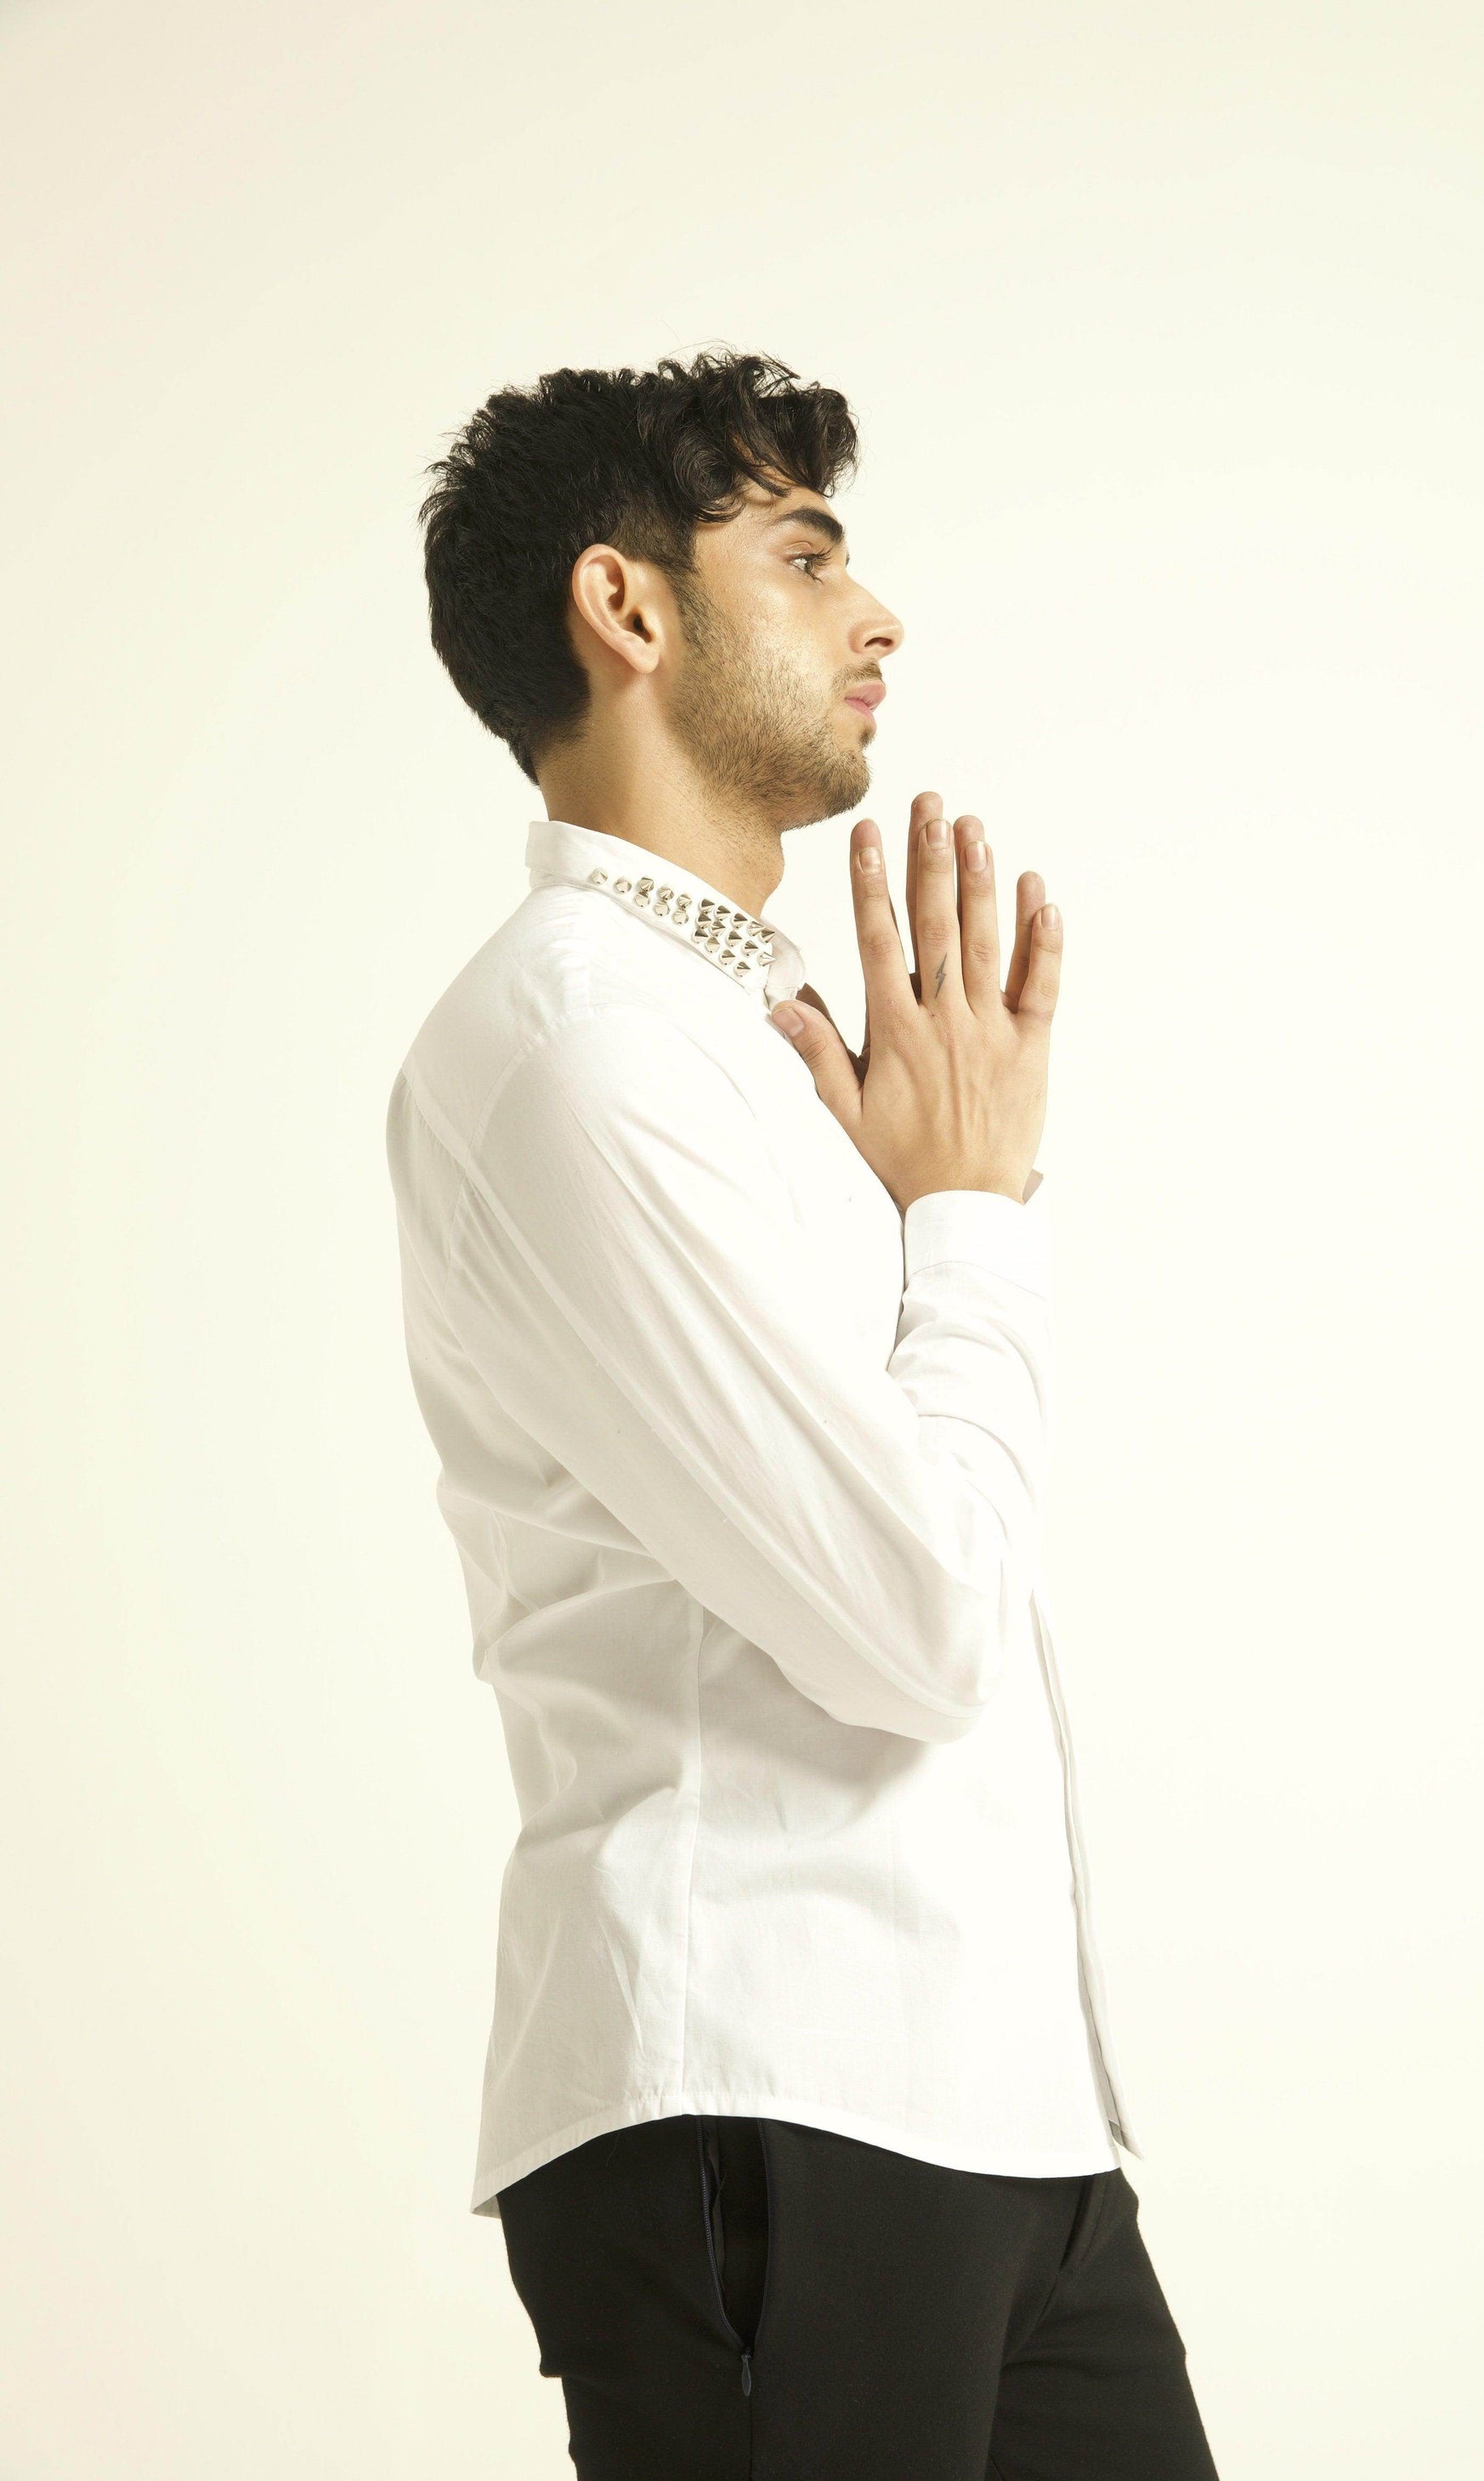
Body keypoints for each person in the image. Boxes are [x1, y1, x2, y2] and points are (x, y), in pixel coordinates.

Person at [385, 348, 1220, 2478]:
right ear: (626, 606)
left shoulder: (745, 1044)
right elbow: (917, 1619)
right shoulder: (575, 1048)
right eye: (805, 552)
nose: (878, 614)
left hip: (996, 2112)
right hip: (763, 2090)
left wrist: (933, 1199)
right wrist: (969, 1214)